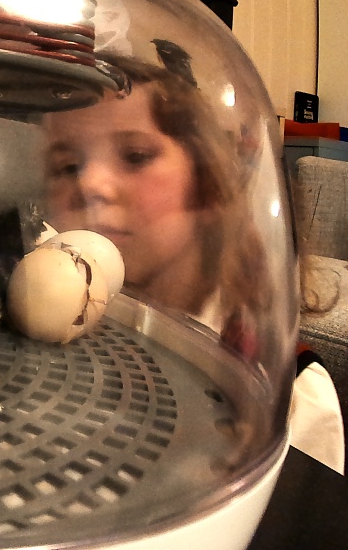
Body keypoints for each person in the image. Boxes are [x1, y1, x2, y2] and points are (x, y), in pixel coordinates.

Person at [41, 51, 344, 473]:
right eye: (68, 166)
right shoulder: (51, 336)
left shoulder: (294, 393)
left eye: (136, 156)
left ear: (206, 180)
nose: (89, 183)